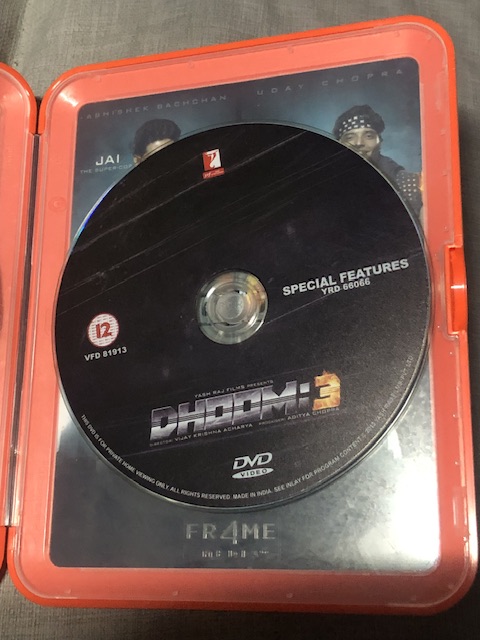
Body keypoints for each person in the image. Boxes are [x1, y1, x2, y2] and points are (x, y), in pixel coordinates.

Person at [332, 105, 422, 217]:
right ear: (339, 144)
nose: (359, 143)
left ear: (379, 142)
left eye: (368, 136)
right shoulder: (327, 184)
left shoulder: (406, 183)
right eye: (350, 137)